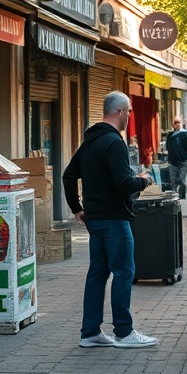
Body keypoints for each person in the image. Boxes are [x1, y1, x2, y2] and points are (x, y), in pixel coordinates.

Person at [63, 91, 157, 349]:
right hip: (114, 218)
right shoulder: (114, 142)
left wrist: (77, 209)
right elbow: (123, 183)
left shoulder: (90, 141)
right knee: (124, 272)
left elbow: (68, 175)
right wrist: (143, 180)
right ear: (120, 112)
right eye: (129, 111)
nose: (129, 117)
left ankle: (90, 332)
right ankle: (124, 332)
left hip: (95, 219)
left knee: (98, 273)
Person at [165, 118, 187, 198]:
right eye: (175, 123)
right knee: (173, 180)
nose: (177, 124)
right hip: (173, 161)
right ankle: (174, 196)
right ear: (173, 125)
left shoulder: (185, 134)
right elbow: (168, 147)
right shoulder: (170, 135)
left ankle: (182, 194)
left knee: (181, 180)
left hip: (183, 161)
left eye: (178, 122)